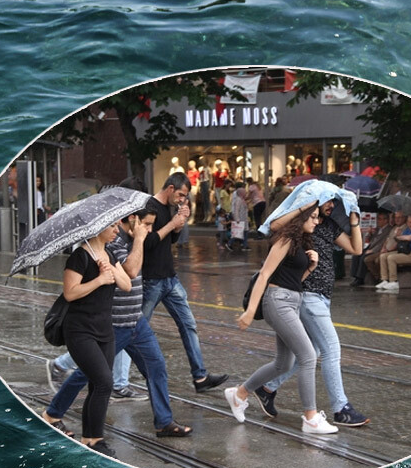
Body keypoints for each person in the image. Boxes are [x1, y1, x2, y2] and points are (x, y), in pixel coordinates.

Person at [43, 200, 193, 444]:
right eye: (145, 223)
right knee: (94, 377)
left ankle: (163, 422)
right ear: (131, 220)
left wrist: (115, 268)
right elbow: (132, 271)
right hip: (112, 323)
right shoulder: (116, 242)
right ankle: (55, 413)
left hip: (136, 321)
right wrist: (137, 243)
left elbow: (126, 281)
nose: (147, 229)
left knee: (156, 367)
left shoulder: (112, 248)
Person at [251, 200, 370, 427]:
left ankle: (266, 388)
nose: (331, 206)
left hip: (323, 298)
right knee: (330, 349)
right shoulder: (300, 224)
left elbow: (356, 249)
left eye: (335, 202)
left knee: (310, 352)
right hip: (308, 294)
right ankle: (340, 408)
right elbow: (273, 225)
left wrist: (354, 222)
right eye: (327, 201)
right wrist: (304, 207)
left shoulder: (328, 225)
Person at [226, 204, 338, 435]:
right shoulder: (285, 239)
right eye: (314, 217)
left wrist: (311, 267)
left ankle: (240, 394)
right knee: (308, 355)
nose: (317, 222)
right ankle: (311, 418)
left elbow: (293, 279)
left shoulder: (302, 243)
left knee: (284, 364)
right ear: (302, 217)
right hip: (277, 301)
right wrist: (250, 311)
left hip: (291, 301)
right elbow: (265, 274)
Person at [141, 173, 230, 393]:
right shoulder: (150, 207)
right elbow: (147, 243)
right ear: (170, 188)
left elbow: (168, 241)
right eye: (180, 194)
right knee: (132, 330)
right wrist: (173, 224)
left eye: (184, 196)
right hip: (151, 280)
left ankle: (200, 377)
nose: (181, 199)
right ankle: (99, 373)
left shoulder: (169, 208)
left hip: (170, 279)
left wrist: (178, 226)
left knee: (188, 324)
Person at [55, 207, 133, 456]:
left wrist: (110, 271)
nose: (117, 230)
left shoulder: (109, 253)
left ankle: (89, 438)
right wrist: (99, 279)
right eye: (112, 226)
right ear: (99, 228)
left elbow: (127, 285)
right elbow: (70, 292)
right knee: (104, 381)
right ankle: (96, 439)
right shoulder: (80, 256)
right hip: (80, 330)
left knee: (98, 384)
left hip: (104, 329)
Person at [352, 210, 404, 287]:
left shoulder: (388, 229)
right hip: (371, 247)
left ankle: (360, 278)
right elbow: (372, 240)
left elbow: (382, 242)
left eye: (380, 219)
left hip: (377, 249)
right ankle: (354, 275)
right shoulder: (378, 229)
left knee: (365, 257)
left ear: (385, 220)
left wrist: (372, 250)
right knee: (356, 255)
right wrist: (369, 234)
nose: (378, 221)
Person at [376, 214, 411, 292]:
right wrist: (398, 235)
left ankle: (393, 281)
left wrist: (399, 237)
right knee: (383, 256)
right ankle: (384, 279)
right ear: (407, 223)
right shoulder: (407, 230)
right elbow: (399, 239)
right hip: (404, 251)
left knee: (391, 258)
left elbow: (409, 238)